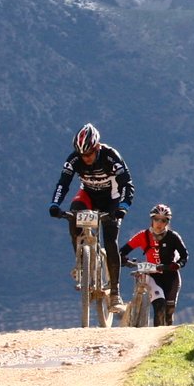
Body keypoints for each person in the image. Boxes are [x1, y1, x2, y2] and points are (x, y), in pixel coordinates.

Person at [48, 123, 133, 309]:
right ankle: (80, 263)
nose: (85, 158)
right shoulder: (74, 160)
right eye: (81, 155)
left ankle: (115, 294)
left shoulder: (111, 156)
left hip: (112, 198)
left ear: (96, 148)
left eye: (88, 154)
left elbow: (127, 183)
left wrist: (123, 207)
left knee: (111, 240)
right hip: (88, 195)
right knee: (73, 215)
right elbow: (63, 183)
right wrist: (55, 204)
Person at [121, 203, 190, 325]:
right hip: (152, 276)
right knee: (159, 305)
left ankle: (165, 337)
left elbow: (184, 256)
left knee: (169, 311)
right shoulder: (142, 236)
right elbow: (123, 251)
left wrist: (177, 264)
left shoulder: (173, 237)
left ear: (167, 223)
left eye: (163, 220)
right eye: (156, 219)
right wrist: (124, 260)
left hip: (171, 276)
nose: (159, 223)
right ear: (151, 220)